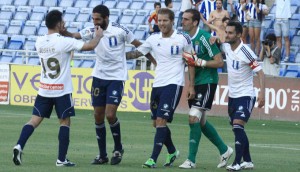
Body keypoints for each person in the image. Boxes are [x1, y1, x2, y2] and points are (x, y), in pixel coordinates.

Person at [61, 5, 155, 166]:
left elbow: (140, 45)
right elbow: (74, 36)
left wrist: (153, 61)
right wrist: (64, 32)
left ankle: (118, 148)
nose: (95, 22)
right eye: (93, 19)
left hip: (116, 77)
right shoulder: (92, 31)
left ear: (106, 18)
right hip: (99, 77)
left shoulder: (120, 30)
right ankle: (102, 154)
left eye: (98, 19)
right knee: (98, 115)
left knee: (110, 115)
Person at [12, 10, 103, 167]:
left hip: (44, 89)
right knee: (64, 122)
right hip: (61, 90)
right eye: (63, 22)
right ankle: (61, 159)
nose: (65, 24)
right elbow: (90, 46)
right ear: (59, 24)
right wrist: (98, 36)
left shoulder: (39, 41)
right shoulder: (64, 42)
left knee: (34, 120)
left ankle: (19, 145)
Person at [126, 8, 195, 168]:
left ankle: (152, 159)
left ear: (172, 21)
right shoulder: (153, 38)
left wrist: (191, 85)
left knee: (161, 120)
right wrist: (117, 56)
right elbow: (137, 53)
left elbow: (191, 62)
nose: (162, 24)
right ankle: (171, 151)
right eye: (159, 21)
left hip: (174, 84)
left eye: (165, 20)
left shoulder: (182, 38)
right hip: (157, 84)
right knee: (157, 123)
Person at [179, 9, 233, 169]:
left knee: (193, 117)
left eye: (186, 19)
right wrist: (191, 85)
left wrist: (201, 62)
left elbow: (219, 62)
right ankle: (225, 150)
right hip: (196, 82)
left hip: (208, 81)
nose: (183, 22)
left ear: (195, 22)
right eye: (182, 19)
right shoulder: (185, 39)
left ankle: (190, 160)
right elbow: (190, 63)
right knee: (200, 122)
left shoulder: (205, 38)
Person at [221, 21, 265, 171]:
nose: (227, 35)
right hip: (233, 95)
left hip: (246, 94)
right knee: (237, 129)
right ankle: (248, 161)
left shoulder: (245, 52)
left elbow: (260, 72)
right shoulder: (227, 46)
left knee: (238, 125)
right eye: (226, 32)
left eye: (230, 33)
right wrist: (213, 39)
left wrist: (262, 93)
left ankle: (237, 163)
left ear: (239, 34)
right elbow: (217, 41)